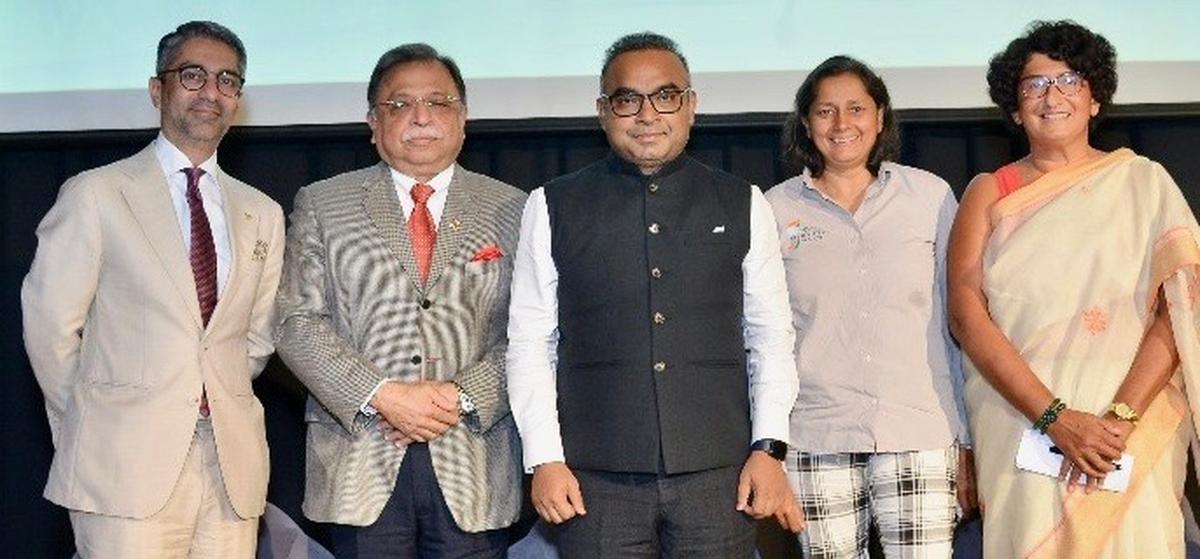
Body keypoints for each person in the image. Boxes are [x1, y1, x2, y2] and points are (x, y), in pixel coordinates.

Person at [506, 31, 803, 558]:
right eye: (627, 100)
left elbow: (770, 336)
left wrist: (769, 448)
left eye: (665, 96)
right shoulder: (552, 205)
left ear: (691, 106)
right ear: (603, 111)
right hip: (593, 480)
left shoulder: (742, 202)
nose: (647, 115)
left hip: (720, 476)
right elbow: (530, 343)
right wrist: (544, 458)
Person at [21, 21, 284, 558]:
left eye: (228, 80)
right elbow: (50, 328)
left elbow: (255, 340)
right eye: (194, 75)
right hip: (121, 465)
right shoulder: (96, 194)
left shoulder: (263, 212)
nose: (212, 91)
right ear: (156, 89)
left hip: (231, 468)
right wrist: (94, 427)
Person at [948, 20, 1200, 558]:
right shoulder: (990, 193)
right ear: (1015, 109)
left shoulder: (1144, 183)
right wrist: (1054, 419)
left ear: (1095, 101)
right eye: (1034, 85)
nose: (1052, 95)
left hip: (1130, 429)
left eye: (1069, 80)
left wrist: (1119, 420)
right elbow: (967, 314)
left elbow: (1178, 310)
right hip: (1022, 424)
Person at [274, 43, 526, 558]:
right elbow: (295, 320)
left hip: (473, 459)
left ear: (463, 118)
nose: (420, 118)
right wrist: (383, 394)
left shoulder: (514, 207)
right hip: (361, 456)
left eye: (439, 102)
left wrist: (459, 397)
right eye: (400, 104)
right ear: (372, 121)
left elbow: (534, 329)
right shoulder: (323, 202)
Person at [766, 55, 973, 558]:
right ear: (806, 123)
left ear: (880, 117)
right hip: (815, 435)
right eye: (825, 111)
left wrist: (967, 442)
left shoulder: (930, 196)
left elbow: (960, 322)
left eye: (856, 108)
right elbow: (766, 336)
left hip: (920, 431)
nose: (842, 124)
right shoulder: (775, 208)